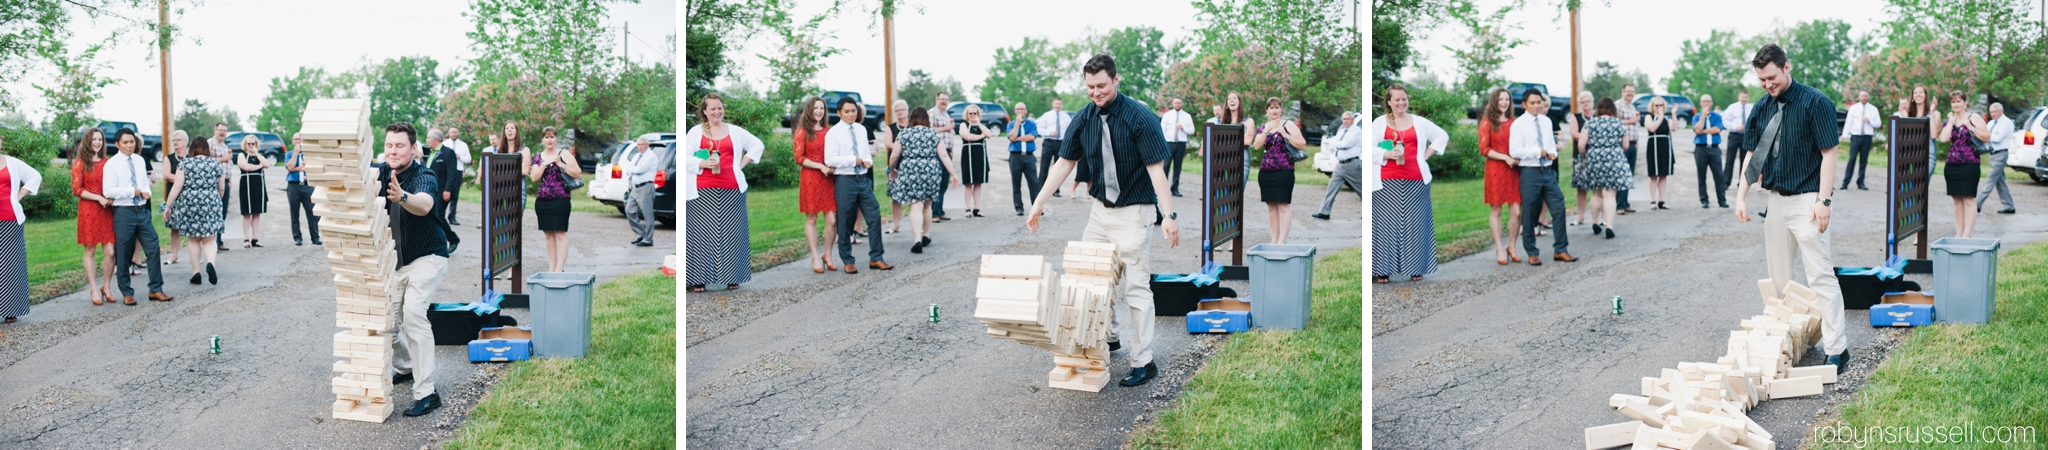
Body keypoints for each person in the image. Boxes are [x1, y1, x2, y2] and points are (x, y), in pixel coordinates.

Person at [1023, 53, 1179, 387]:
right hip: (1099, 212)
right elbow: (1064, 163)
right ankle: (1110, 337)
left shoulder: (1140, 117)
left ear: (1116, 79)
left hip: (1134, 212)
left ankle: (1143, 361)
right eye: (1090, 87)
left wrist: (1168, 215)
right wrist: (1038, 203)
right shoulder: (1083, 118)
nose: (1096, 92)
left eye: (1102, 85)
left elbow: (1156, 170)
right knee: (1090, 283)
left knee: (1135, 289)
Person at [1731, 43, 1848, 375]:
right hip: (1776, 201)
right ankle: (1788, 341)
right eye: (1762, 80)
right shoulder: (1762, 107)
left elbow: (1830, 154)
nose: (1768, 85)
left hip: (1808, 199)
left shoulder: (1816, 103)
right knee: (1779, 279)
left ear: (1786, 67)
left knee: (1820, 275)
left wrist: (1824, 201)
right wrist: (1741, 196)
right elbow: (1753, 156)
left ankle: (1838, 349)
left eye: (1772, 77)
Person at [364, 122, 454, 418]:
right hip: (395, 262)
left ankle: (427, 392)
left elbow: (426, 204)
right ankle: (406, 368)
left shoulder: (424, 174)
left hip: (428, 257)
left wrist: (402, 196)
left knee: (414, 315)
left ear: (413, 148)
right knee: (384, 322)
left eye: (400, 145)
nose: (393, 150)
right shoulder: (377, 171)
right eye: (389, 145)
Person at [684, 95, 765, 290]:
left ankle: (732, 277)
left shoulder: (735, 131)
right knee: (701, 234)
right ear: (704, 111)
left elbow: (757, 145)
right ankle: (698, 279)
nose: (717, 112)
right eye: (712, 109)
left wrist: (741, 163)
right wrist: (703, 163)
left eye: (719, 108)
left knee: (731, 234)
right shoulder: (696, 132)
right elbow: (684, 156)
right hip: (702, 191)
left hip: (732, 190)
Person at [1370, 84, 1449, 283]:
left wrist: (1426, 154)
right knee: (1385, 226)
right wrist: (1386, 154)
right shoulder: (1380, 122)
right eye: (1396, 99)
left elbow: (1442, 135)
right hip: (1386, 183)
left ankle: (1415, 268)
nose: (1401, 102)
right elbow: (1367, 147)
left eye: (1404, 99)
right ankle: (1382, 270)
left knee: (1415, 225)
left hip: (1416, 182)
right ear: (1389, 102)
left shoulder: (1419, 122)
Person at [103, 129, 173, 305]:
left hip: (141, 210)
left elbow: (143, 182)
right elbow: (108, 191)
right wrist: (130, 191)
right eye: (125, 142)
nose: (129, 145)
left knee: (153, 246)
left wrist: (147, 192)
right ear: (117, 144)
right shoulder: (111, 164)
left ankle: (156, 289)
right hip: (123, 211)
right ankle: (127, 292)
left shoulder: (140, 160)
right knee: (124, 251)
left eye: (131, 142)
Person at [825, 96, 894, 273]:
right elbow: (830, 159)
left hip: (863, 180)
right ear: (839, 113)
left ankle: (876, 258)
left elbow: (865, 152)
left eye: (853, 111)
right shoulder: (833, 133)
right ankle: (848, 260)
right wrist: (852, 160)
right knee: (845, 221)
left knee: (874, 215)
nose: (850, 114)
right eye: (846, 111)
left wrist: (868, 160)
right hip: (845, 181)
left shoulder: (862, 129)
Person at [1511, 88, 1578, 265]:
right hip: (1530, 172)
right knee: (1530, 212)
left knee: (1558, 206)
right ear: (1524, 104)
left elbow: (1550, 143)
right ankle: (1532, 252)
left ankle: (1561, 249)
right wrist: (1537, 152)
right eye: (1532, 103)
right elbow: (1514, 151)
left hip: (1548, 171)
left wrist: (1553, 152)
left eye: (1539, 102)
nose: (1536, 106)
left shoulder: (1547, 121)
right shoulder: (1518, 124)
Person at [892, 107, 959, 253]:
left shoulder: (904, 133)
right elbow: (943, 156)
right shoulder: (934, 133)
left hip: (911, 170)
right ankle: (926, 235)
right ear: (926, 120)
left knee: (916, 205)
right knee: (927, 205)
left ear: (912, 119)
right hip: (931, 170)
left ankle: (917, 239)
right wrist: (953, 174)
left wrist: (892, 169)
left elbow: (894, 156)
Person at [163, 138, 227, 285]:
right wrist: (216, 200)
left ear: (191, 148)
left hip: (190, 203)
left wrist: (168, 206)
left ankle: (196, 272)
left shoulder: (185, 163)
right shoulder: (215, 163)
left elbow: (177, 187)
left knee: (194, 240)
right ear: (207, 149)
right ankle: (210, 263)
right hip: (211, 201)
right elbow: (221, 188)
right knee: (210, 238)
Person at [1476, 88, 1522, 264]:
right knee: (1496, 209)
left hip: (1513, 170)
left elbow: (1520, 144)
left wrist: (1517, 156)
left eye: (1507, 100)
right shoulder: (1488, 123)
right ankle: (1499, 248)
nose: (1504, 102)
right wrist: (1505, 157)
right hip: (1495, 169)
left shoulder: (1514, 123)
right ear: (1494, 101)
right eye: (1501, 99)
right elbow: (1484, 149)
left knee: (1516, 212)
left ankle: (1512, 245)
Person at [1253, 97, 1307, 244]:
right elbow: (1257, 145)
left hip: (1284, 170)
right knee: (1271, 207)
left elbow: (1302, 144)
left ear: (1281, 109)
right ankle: (1274, 239)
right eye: (1271, 108)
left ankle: (1281, 240)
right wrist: (1266, 130)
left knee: (1283, 205)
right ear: (1267, 111)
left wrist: (1286, 135)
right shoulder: (1263, 127)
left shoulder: (1288, 125)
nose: (1274, 110)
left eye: (1277, 107)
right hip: (1266, 171)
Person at [71, 130, 116, 306]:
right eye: (94, 139)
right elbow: (77, 189)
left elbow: (113, 184)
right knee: (90, 250)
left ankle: (106, 286)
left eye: (100, 139)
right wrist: (98, 197)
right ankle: (93, 288)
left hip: (106, 210)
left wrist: (111, 196)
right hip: (88, 210)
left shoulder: (107, 162)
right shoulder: (80, 163)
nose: (97, 142)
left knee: (111, 252)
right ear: (87, 141)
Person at [527, 127, 580, 272]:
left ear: (556, 139)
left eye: (552, 137)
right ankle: (552, 267)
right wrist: (545, 163)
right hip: (542, 200)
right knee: (549, 235)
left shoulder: (564, 154)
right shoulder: (538, 157)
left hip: (560, 199)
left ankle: (559, 268)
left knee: (560, 233)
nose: (549, 140)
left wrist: (561, 165)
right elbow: (534, 177)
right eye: (546, 137)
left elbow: (577, 173)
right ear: (542, 140)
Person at [1935, 91, 1986, 238]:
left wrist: (1971, 127)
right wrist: (1951, 122)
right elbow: (1943, 138)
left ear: (1964, 102)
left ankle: (1967, 234)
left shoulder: (1974, 117)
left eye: (1958, 101)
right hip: (1952, 164)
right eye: (1953, 102)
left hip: (1970, 164)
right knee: (1957, 200)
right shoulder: (1949, 120)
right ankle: (1959, 233)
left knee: (1969, 198)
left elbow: (1987, 137)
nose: (1956, 104)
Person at [1581, 98, 1635, 238]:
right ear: (1613, 109)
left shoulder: (1590, 122)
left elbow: (1581, 144)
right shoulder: (1618, 123)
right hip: (1614, 157)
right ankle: (1609, 225)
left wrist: (1585, 157)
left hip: (1594, 157)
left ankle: (1595, 222)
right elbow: (1626, 146)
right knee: (1610, 194)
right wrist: (1615, 153)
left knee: (1596, 193)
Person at [0, 133, 38, 322]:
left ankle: (10, 310)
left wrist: (19, 195)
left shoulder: (12, 163)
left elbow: (34, 176)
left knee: (11, 265)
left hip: (10, 220)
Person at [1312, 111, 1363, 221]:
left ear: (1352, 120)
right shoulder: (1341, 131)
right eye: (1343, 119)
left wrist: (1338, 145)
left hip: (1352, 165)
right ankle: (1324, 212)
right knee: (1331, 188)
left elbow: (1346, 144)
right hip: (1340, 165)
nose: (1345, 121)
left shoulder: (1357, 131)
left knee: (1362, 189)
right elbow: (1332, 145)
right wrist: (1339, 145)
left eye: (1347, 119)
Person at [426, 128, 463, 251]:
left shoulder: (448, 152)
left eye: (428, 138)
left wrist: (447, 190)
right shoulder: (432, 153)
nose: (427, 141)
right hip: (430, 190)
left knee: (438, 216)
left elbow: (452, 173)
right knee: (430, 216)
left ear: (436, 139)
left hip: (442, 191)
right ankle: (434, 242)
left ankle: (453, 239)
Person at [1977, 102, 2016, 214]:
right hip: (1992, 155)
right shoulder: (1991, 123)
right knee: (2000, 182)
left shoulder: (2007, 123)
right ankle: (2009, 206)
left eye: (1995, 112)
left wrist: (1988, 135)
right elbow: (1985, 136)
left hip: (2000, 155)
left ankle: (1976, 205)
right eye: (1991, 112)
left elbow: (1998, 138)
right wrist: (1989, 135)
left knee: (1990, 181)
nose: (1993, 114)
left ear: (2001, 111)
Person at [623, 138, 662, 247]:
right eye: (638, 145)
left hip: (646, 187)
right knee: (629, 210)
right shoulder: (637, 156)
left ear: (647, 145)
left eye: (642, 144)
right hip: (635, 188)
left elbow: (641, 170)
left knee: (647, 214)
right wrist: (633, 169)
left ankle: (648, 239)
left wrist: (633, 169)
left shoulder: (651, 156)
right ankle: (640, 234)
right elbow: (627, 169)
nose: (640, 147)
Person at [233, 134, 271, 247]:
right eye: (248, 143)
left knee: (256, 212)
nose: (250, 145)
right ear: (245, 144)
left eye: (252, 143)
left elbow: (267, 164)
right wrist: (259, 166)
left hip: (258, 185)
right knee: (246, 212)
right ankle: (246, 238)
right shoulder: (242, 154)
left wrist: (257, 154)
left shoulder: (260, 155)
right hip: (246, 185)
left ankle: (255, 238)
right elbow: (245, 167)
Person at [283, 134, 322, 245]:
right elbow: (290, 167)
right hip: (293, 185)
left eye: (300, 139)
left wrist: (298, 168)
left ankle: (315, 237)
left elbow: (311, 168)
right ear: (293, 141)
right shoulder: (290, 154)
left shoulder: (309, 154)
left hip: (307, 185)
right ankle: (297, 238)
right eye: (295, 139)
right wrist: (296, 154)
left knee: (312, 212)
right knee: (294, 212)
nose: (298, 141)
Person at [1006, 102, 1043, 216]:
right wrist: (1017, 124)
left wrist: (1016, 138)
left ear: (1026, 111)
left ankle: (1036, 207)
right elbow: (1011, 137)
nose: (1020, 111)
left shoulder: (1031, 124)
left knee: (1034, 183)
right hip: (1015, 156)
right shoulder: (1011, 124)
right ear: (1015, 111)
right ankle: (1019, 207)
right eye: (1018, 109)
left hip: (1028, 156)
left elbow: (1031, 137)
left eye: (1022, 109)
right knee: (1016, 182)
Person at [955, 105, 992, 218]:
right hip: (968, 154)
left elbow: (989, 134)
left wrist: (979, 124)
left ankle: (977, 208)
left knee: (978, 182)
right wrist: (981, 136)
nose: (972, 115)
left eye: (974, 113)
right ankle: (967, 208)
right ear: (967, 114)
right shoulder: (964, 124)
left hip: (980, 155)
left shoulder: (981, 126)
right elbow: (967, 137)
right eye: (970, 113)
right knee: (968, 182)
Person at [1692, 94, 1728, 208]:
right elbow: (1696, 130)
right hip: (1700, 149)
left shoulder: (1717, 116)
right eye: (1704, 101)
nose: (1706, 103)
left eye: (1708, 101)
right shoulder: (1697, 117)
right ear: (1701, 103)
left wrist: (1702, 131)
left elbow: (1717, 130)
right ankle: (1704, 200)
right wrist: (1703, 116)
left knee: (1719, 175)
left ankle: (1722, 200)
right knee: (1701, 175)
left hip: (1714, 149)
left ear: (1711, 103)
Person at [1841, 91, 1881, 191]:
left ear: (1868, 97)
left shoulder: (1873, 109)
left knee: (1863, 160)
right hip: (1855, 137)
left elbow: (1878, 124)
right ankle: (1845, 182)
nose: (1864, 97)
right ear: (1859, 97)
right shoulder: (1853, 108)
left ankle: (1861, 182)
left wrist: (1869, 121)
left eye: (1866, 96)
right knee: (1852, 159)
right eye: (1862, 96)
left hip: (1867, 137)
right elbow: (1848, 122)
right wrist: (1844, 135)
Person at [880, 100, 909, 234]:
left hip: (910, 166)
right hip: (895, 166)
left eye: (902, 109)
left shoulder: (913, 126)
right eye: (897, 110)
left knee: (913, 196)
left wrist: (899, 147)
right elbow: (888, 144)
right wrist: (904, 148)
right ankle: (896, 224)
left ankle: (916, 223)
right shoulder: (890, 127)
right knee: (895, 197)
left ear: (907, 110)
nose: (900, 112)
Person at [159, 130, 188, 265]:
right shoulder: (169, 158)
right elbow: (166, 175)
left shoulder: (191, 157)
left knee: (192, 226)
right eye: (173, 140)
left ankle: (196, 254)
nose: (175, 142)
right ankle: (174, 255)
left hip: (189, 197)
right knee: (174, 227)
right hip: (174, 196)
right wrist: (183, 180)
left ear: (185, 141)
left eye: (178, 139)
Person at [1642, 96, 1676, 210]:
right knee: (1653, 174)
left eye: (1660, 105)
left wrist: (1674, 114)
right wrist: (1660, 116)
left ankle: (1662, 200)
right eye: (1656, 105)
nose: (1659, 107)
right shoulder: (1649, 116)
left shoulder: (1667, 118)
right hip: (1653, 146)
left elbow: (1674, 128)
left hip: (1665, 146)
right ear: (1652, 106)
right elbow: (1651, 128)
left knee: (1663, 174)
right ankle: (1652, 200)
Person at [928, 93, 957, 221]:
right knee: (937, 182)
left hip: (947, 152)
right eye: (942, 99)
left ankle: (940, 211)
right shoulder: (932, 113)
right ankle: (934, 214)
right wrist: (947, 128)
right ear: (936, 100)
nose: (944, 101)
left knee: (944, 182)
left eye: (946, 99)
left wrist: (951, 149)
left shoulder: (946, 114)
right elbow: (929, 130)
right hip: (936, 152)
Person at [1567, 92, 1595, 226]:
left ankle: (1599, 217)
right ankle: (1581, 215)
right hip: (1579, 155)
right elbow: (1574, 133)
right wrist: (1588, 137)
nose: (1586, 104)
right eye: (1583, 102)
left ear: (1592, 102)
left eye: (1588, 101)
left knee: (1598, 187)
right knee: (1581, 187)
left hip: (1595, 155)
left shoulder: (1597, 116)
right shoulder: (1576, 117)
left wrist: (1584, 136)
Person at [1037, 96, 1074, 198]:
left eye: (1059, 104)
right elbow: (1039, 129)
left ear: (1062, 105)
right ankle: (1040, 188)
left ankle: (1056, 190)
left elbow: (1070, 131)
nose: (1058, 105)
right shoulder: (1047, 115)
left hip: (1060, 144)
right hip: (1048, 142)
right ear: (1052, 104)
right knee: (1044, 166)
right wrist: (1049, 133)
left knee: (1058, 168)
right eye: (1056, 104)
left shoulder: (1066, 117)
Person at [1720, 90, 1752, 202]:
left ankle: (1741, 183)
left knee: (1744, 161)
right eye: (1742, 97)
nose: (1744, 99)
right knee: (1730, 160)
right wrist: (1735, 126)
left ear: (1748, 98)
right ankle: (1726, 182)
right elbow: (1725, 121)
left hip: (1746, 136)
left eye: (1746, 97)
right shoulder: (1732, 107)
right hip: (1734, 135)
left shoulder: (1751, 107)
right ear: (1739, 97)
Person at [1616, 84, 1642, 213]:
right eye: (1628, 91)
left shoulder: (1632, 107)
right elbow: (1615, 122)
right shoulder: (1618, 105)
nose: (1630, 93)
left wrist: (1636, 142)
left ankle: (1625, 203)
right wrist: (1631, 120)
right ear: (1622, 92)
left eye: (1632, 91)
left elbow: (1635, 126)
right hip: (1621, 145)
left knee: (1629, 175)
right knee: (1621, 174)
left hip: (1632, 144)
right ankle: (1619, 205)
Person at [1161, 98, 1195, 197]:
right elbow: (1162, 129)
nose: (1177, 104)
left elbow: (1192, 131)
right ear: (1172, 104)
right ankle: (1163, 189)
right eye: (1176, 103)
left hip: (1181, 144)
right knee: (1165, 166)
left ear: (1182, 104)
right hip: (1169, 143)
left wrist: (1183, 127)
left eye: (1179, 103)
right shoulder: (1167, 115)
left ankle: (1174, 189)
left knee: (1177, 167)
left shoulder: (1187, 116)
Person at [208, 123, 234, 252]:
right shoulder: (210, 144)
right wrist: (225, 158)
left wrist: (229, 180)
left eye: (225, 131)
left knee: (222, 213)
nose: (223, 133)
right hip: (214, 183)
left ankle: (218, 241)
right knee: (214, 212)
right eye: (220, 130)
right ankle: (211, 242)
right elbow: (207, 161)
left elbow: (228, 165)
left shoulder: (224, 146)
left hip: (225, 182)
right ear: (215, 130)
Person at [444, 127, 470, 225]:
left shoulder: (463, 145)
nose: (454, 134)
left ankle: (452, 216)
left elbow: (468, 159)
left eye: (455, 132)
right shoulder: (445, 144)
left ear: (458, 133)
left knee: (454, 194)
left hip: (458, 171)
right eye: (452, 132)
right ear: (449, 133)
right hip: (446, 171)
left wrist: (460, 157)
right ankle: (441, 215)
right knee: (444, 192)